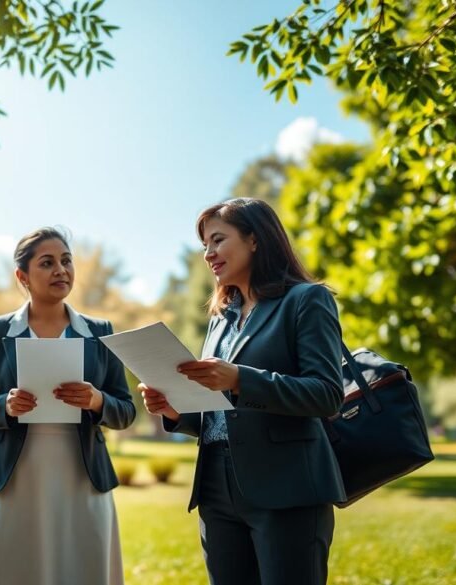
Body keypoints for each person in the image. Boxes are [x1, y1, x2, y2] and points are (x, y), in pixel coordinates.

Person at [140, 198, 346, 585]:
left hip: (286, 486)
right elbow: (217, 415)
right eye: (205, 245)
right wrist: (173, 410)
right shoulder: (221, 319)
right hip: (216, 485)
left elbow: (326, 394)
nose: (208, 253)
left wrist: (239, 378)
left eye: (218, 240)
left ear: (254, 239)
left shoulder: (307, 300)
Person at [0, 227, 135, 585]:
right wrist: (4, 405)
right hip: (13, 478)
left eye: (67, 261)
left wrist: (97, 400)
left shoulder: (100, 332)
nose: (61, 270)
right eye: (48, 263)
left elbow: (127, 411)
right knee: (15, 568)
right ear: (22, 276)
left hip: (81, 475)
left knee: (81, 567)